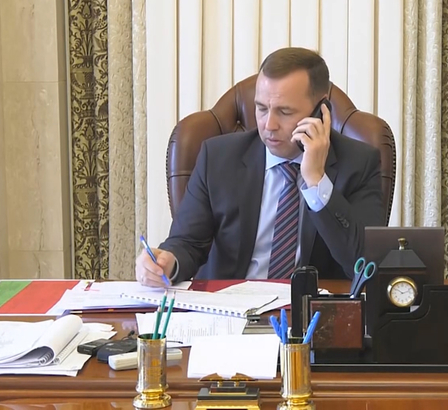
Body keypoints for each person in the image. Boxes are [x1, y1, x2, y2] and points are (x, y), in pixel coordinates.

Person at [135, 47, 384, 287]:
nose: (269, 125)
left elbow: (363, 264)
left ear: (321, 111)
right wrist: (168, 262)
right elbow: (187, 242)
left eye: (285, 112)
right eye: (262, 108)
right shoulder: (219, 157)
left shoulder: (359, 163)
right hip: (229, 305)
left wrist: (316, 181)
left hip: (309, 309)